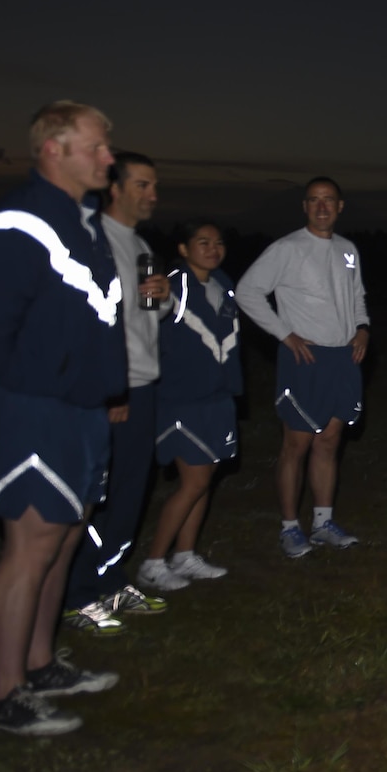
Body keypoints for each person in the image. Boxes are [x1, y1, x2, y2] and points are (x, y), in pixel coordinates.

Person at [0, 101, 128, 735]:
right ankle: (3, 697)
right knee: (29, 548)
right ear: (53, 150)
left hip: (82, 413)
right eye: (97, 146)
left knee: (62, 541)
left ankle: (37, 664)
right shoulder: (20, 222)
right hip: (37, 411)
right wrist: (41, 385)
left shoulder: (82, 223)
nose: (108, 157)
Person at [60, 150, 172, 633]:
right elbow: (87, 323)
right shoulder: (94, 242)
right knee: (96, 495)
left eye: (153, 186)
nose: (152, 195)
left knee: (131, 491)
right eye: (143, 185)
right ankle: (76, 593)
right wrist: (110, 389)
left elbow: (147, 317)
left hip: (145, 381)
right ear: (117, 188)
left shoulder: (141, 245)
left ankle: (110, 579)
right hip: (111, 389)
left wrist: (162, 301)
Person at [236, 176, 370, 557]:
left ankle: (324, 522)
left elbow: (357, 296)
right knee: (296, 444)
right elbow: (247, 291)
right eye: (314, 200)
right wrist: (285, 334)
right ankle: (290, 527)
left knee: (329, 441)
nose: (322, 207)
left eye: (329, 200)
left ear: (340, 206)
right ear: (305, 207)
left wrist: (362, 329)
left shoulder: (348, 250)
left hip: (344, 358)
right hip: (304, 358)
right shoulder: (287, 248)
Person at [135, 222, 239, 591]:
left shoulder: (223, 284)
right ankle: (152, 562)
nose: (213, 248)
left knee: (204, 480)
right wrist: (156, 294)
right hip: (181, 398)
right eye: (203, 242)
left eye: (218, 242)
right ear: (183, 248)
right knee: (193, 481)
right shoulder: (171, 283)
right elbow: (154, 308)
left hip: (217, 395)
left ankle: (185, 555)